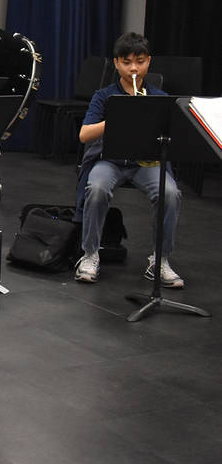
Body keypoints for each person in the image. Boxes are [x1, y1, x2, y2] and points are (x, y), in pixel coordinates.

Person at [74, 32, 184, 287]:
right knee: (98, 187)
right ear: (116, 63)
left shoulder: (158, 97)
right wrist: (119, 114)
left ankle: (160, 260)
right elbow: (84, 135)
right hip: (109, 161)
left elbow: (172, 136)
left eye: (140, 61)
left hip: (145, 163)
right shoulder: (104, 96)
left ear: (149, 62)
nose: (134, 68)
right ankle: (90, 254)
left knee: (170, 193)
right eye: (126, 62)